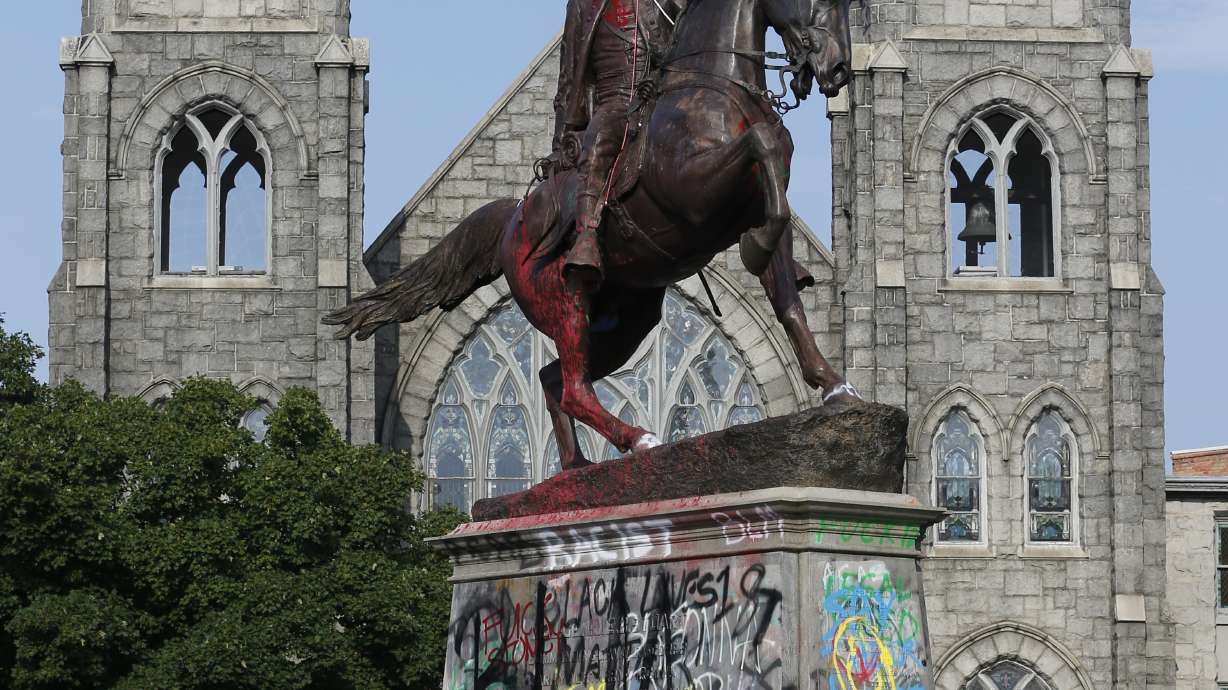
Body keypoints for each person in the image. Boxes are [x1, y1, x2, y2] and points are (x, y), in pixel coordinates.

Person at [551, 0, 685, 292]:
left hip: (662, 100)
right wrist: (560, 143)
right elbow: (569, 75)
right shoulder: (583, 6)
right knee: (597, 145)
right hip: (614, 101)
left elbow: (688, 40)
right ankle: (586, 237)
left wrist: (660, 78)